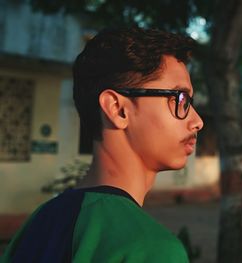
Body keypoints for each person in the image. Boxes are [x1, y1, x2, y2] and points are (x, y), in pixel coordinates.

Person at [0, 26, 203, 262]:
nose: (197, 121)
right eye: (180, 99)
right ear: (117, 109)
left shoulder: (38, 223)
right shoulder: (152, 249)